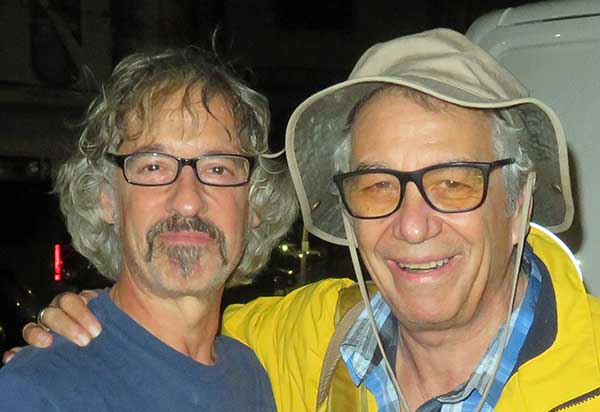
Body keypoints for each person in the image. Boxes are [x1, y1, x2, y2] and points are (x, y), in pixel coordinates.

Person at [12, 29, 600, 412]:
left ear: (518, 202)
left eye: (452, 182)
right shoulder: (309, 341)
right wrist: (83, 327)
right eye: (376, 186)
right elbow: (168, 334)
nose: (413, 225)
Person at [0, 46, 298, 411]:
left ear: (254, 204)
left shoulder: (249, 374)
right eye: (153, 167)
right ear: (107, 199)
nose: (188, 201)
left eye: (219, 168)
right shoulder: (40, 391)